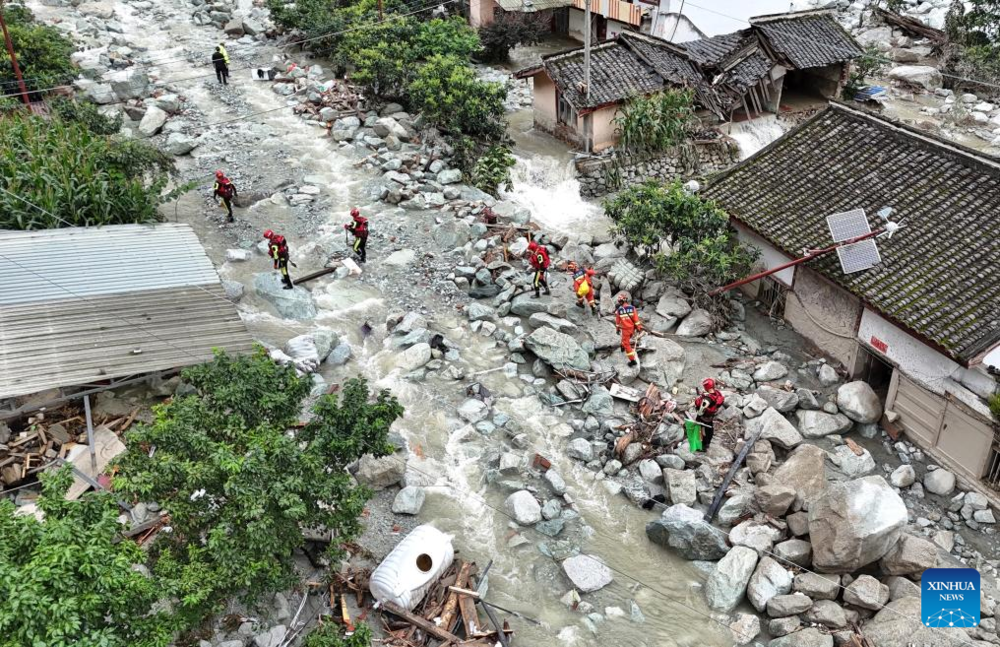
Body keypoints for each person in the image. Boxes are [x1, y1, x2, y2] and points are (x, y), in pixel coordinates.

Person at [693, 378, 725, 450]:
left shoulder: (708, 399)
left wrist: (699, 415)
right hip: (710, 416)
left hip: (703, 417)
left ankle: (702, 446)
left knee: (700, 430)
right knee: (709, 429)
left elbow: (702, 409)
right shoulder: (716, 393)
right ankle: (707, 443)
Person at [614, 293, 643, 367]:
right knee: (625, 339)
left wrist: (617, 329)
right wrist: (638, 328)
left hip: (625, 330)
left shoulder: (619, 311)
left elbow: (617, 322)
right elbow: (636, 320)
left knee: (627, 344)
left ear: (620, 302)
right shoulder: (632, 308)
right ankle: (622, 346)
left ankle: (632, 360)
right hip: (632, 329)